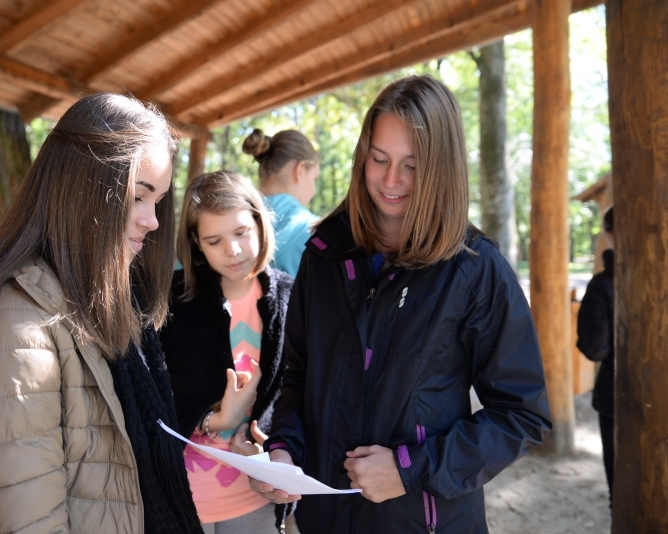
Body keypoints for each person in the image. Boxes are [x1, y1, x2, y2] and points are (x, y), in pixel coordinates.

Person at [251, 75, 552, 534]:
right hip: (325, 517)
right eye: (379, 159)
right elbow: (298, 375)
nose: (391, 181)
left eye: (412, 166)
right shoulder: (323, 254)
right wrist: (285, 449)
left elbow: (522, 413)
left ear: (441, 169)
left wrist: (412, 468)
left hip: (425, 521)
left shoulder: (477, 269)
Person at [0, 93, 203, 534]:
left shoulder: (116, 302)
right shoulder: (12, 325)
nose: (153, 220)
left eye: (157, 201)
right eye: (139, 197)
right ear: (84, 188)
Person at [160, 170, 295, 534]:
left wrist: (268, 442)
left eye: (241, 233)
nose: (232, 250)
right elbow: (157, 397)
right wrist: (214, 420)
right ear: (196, 243)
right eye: (214, 240)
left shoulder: (291, 299)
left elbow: (297, 393)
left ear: (259, 222)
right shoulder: (172, 303)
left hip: (255, 499)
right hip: (182, 498)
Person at [577, 205, 615, 507]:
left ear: (609, 234)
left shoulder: (603, 286)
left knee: (624, 491)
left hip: (617, 394)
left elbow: (595, 349)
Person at [242, 129, 320, 277]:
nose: (314, 190)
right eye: (315, 178)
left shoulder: (225, 222)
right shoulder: (315, 232)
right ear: (300, 169)